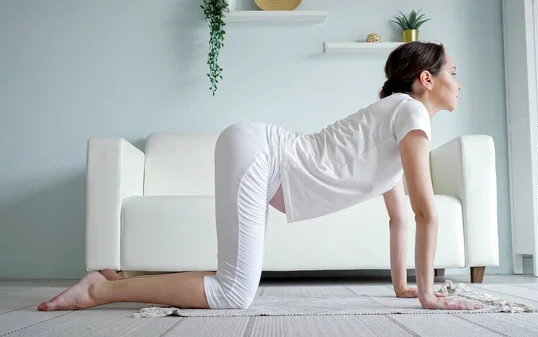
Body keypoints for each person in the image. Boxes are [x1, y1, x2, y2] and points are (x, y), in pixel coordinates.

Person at [38, 41, 482, 312]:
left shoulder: (395, 123)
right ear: (426, 79)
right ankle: (97, 292)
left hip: (258, 152)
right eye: (453, 73)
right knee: (235, 293)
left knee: (234, 275)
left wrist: (405, 285)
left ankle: (118, 282)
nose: (458, 83)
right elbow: (427, 213)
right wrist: (428, 295)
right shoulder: (410, 113)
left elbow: (402, 216)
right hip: (263, 155)